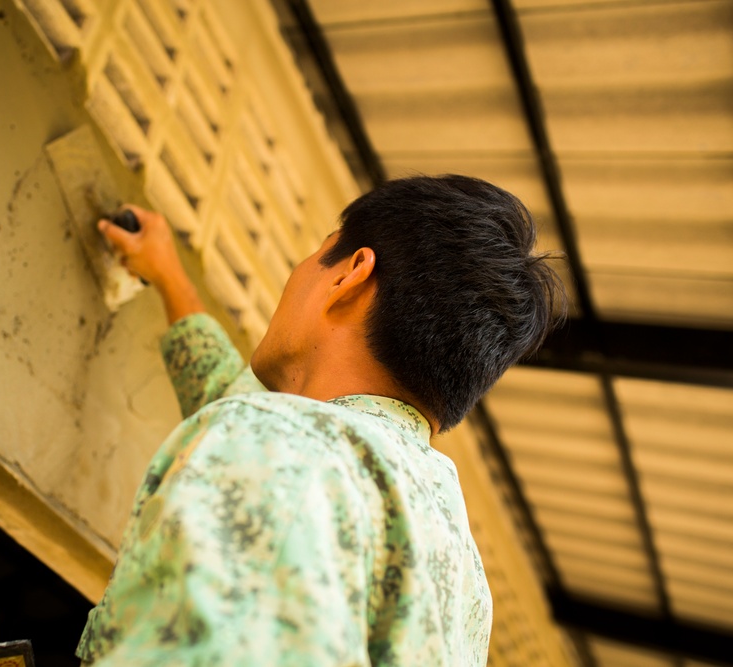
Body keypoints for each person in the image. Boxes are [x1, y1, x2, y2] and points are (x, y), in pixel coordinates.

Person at [75, 175, 564, 666]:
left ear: (349, 277)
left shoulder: (284, 448)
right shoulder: (463, 575)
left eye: (316, 255)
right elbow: (240, 406)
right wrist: (169, 277)